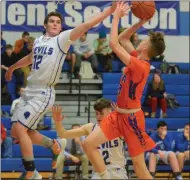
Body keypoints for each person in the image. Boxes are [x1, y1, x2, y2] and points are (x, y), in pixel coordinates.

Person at [5, 3, 117, 179]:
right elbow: (29, 58)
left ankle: (31, 172)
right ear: (45, 25)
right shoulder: (38, 41)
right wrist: (12, 68)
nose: (55, 24)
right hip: (30, 90)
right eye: (52, 21)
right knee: (17, 132)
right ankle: (53, 144)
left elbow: (86, 25)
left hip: (44, 92)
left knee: (19, 129)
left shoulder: (62, 39)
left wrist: (110, 11)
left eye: (58, 22)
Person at [82, 2, 166, 179]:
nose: (141, 40)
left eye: (144, 40)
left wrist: (116, 17)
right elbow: (123, 38)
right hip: (117, 115)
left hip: (132, 120)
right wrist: (141, 21)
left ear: (145, 47)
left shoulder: (140, 66)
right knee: (88, 144)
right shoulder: (137, 57)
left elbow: (113, 43)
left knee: (139, 167)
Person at [52, 98, 128, 179]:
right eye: (96, 113)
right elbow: (63, 134)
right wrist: (57, 122)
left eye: (101, 113)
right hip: (99, 173)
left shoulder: (118, 126)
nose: (98, 116)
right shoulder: (90, 127)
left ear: (110, 112)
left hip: (117, 171)